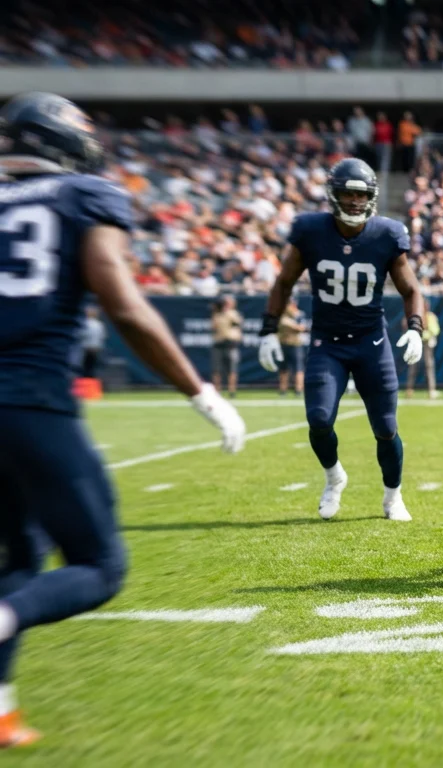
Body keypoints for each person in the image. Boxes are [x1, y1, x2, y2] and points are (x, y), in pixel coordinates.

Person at [0, 92, 245, 745]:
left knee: (20, 552)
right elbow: (124, 305)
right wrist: (200, 392)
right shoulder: (82, 194)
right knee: (100, 566)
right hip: (31, 401)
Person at [257, 158, 426, 522]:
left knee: (385, 427)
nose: (354, 202)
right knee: (318, 418)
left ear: (372, 197)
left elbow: (411, 288)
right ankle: (334, 478)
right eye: (347, 194)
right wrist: (268, 329)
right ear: (333, 196)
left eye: (360, 195)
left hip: (371, 341)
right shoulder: (310, 231)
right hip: (327, 341)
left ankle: (392, 496)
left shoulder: (386, 234)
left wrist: (415, 327)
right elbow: (283, 282)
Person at [210, 295, 242, 397]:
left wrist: (227, 312)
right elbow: (213, 327)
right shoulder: (217, 315)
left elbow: (238, 323)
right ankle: (217, 391)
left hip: (231, 344)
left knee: (232, 369)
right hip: (219, 344)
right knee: (216, 370)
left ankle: (232, 391)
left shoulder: (233, 314)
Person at [408, 309, 440, 399]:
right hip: (417, 343)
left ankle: (431, 390)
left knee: (429, 367)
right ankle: (409, 389)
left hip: (426, 344)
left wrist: (424, 335)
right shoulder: (415, 316)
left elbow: (435, 330)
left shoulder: (430, 316)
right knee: (414, 366)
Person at [278, 299, 306, 396]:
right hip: (283, 343)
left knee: (298, 368)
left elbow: (301, 328)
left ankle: (298, 389)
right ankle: (283, 390)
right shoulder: (282, 315)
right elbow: (280, 324)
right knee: (283, 368)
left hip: (295, 344)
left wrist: (292, 324)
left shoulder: (299, 314)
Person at [79, 305, 105, 379]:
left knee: (85, 365)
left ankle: (86, 381)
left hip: (86, 347)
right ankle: (91, 379)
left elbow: (82, 334)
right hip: (96, 348)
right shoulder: (99, 324)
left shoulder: (85, 323)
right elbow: (102, 336)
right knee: (92, 366)